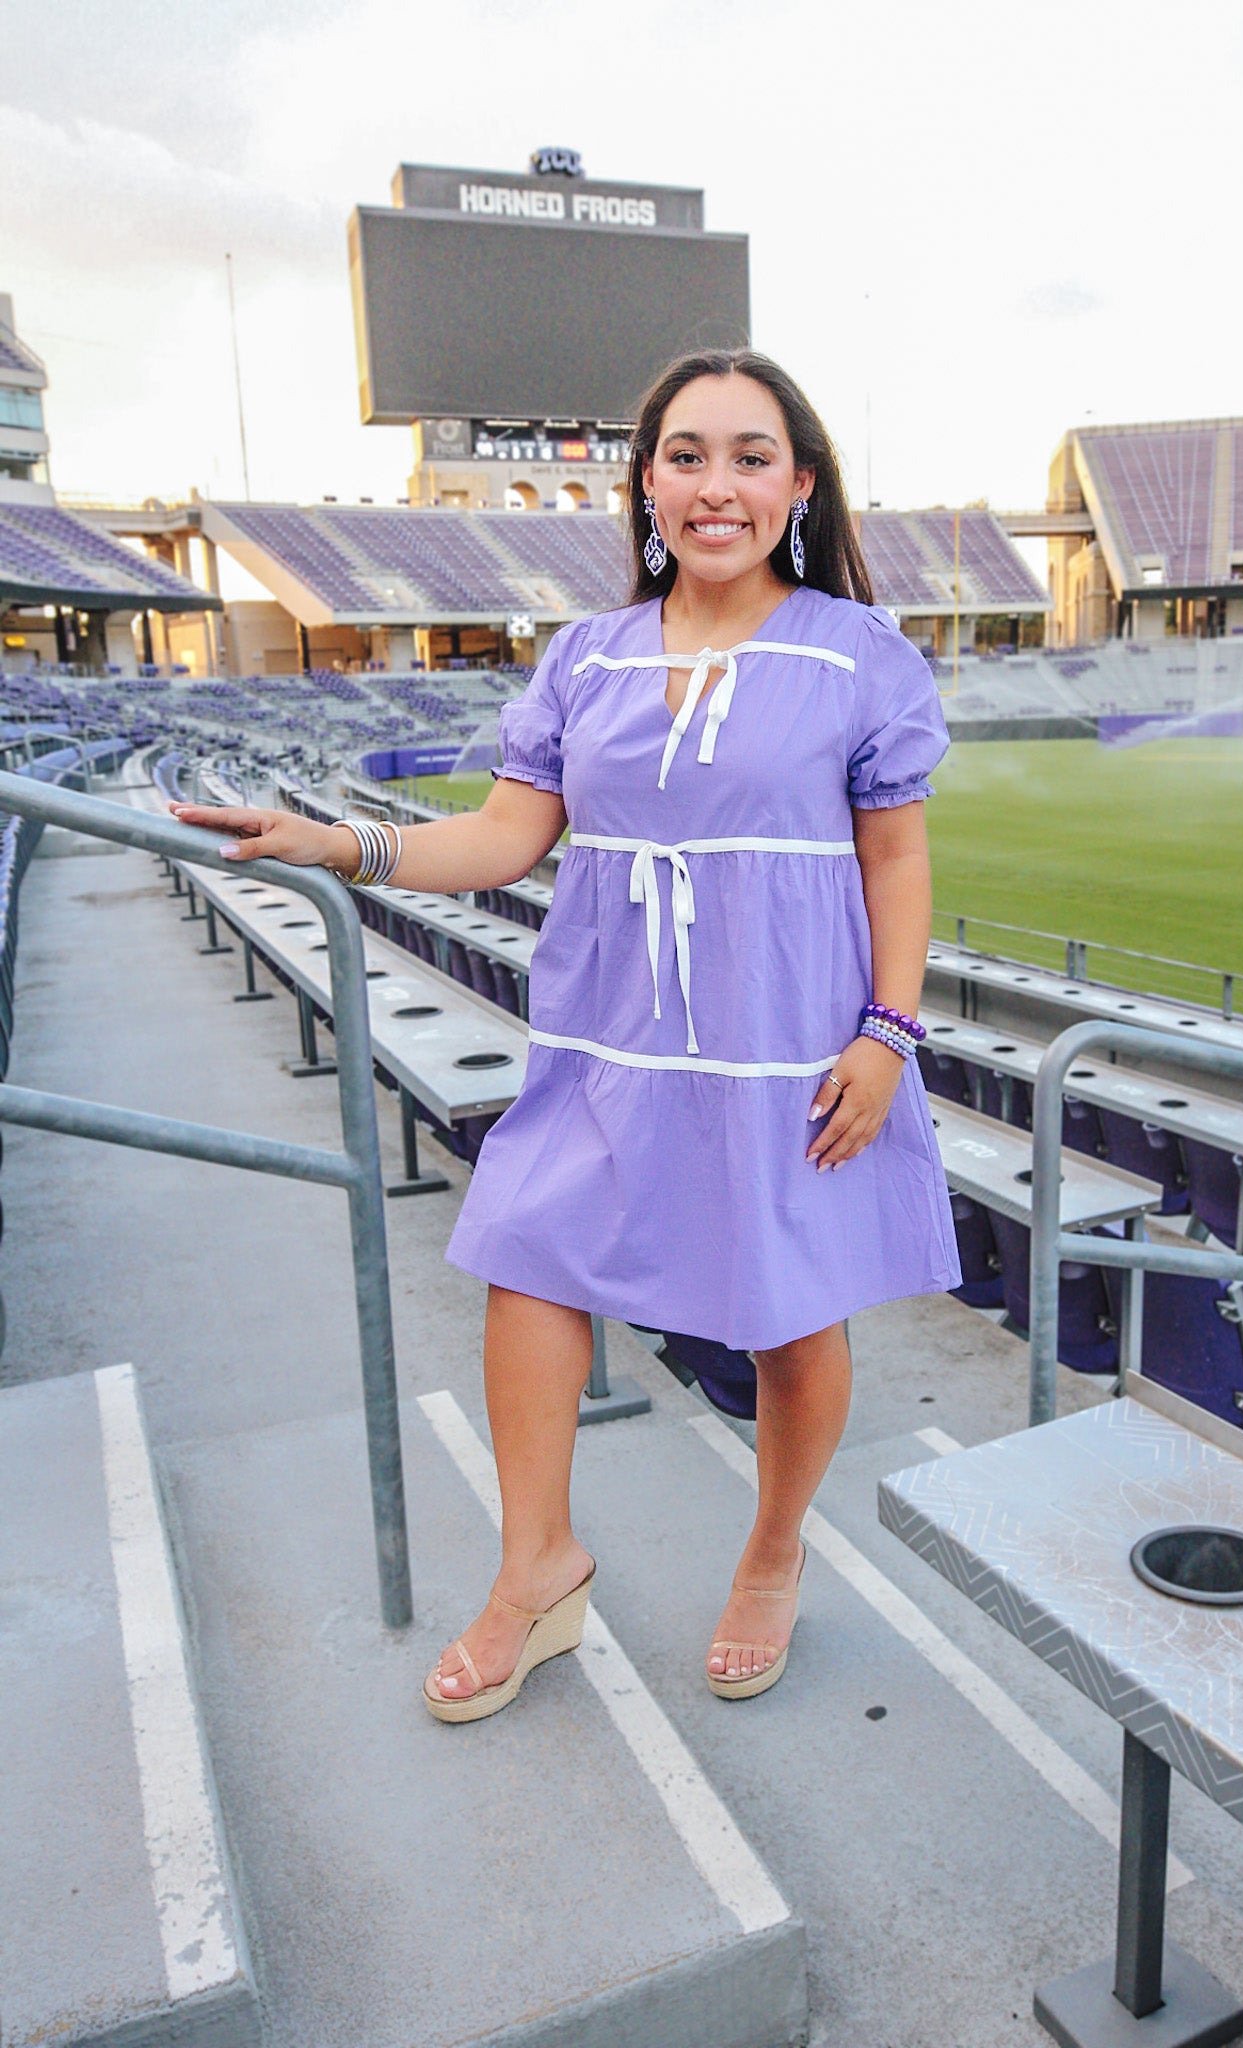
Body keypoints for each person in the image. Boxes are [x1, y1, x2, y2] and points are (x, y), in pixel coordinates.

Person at [171, 348, 959, 1721]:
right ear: (646, 482)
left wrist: (885, 1033)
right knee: (526, 1258)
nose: (717, 485)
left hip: (787, 1038)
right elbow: (499, 840)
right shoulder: (582, 659)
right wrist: (339, 843)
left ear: (799, 484)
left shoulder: (857, 655)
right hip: (609, 1036)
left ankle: (770, 1555)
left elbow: (893, 860)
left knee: (786, 1317)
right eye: (687, 455)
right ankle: (535, 1567)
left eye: (750, 456)